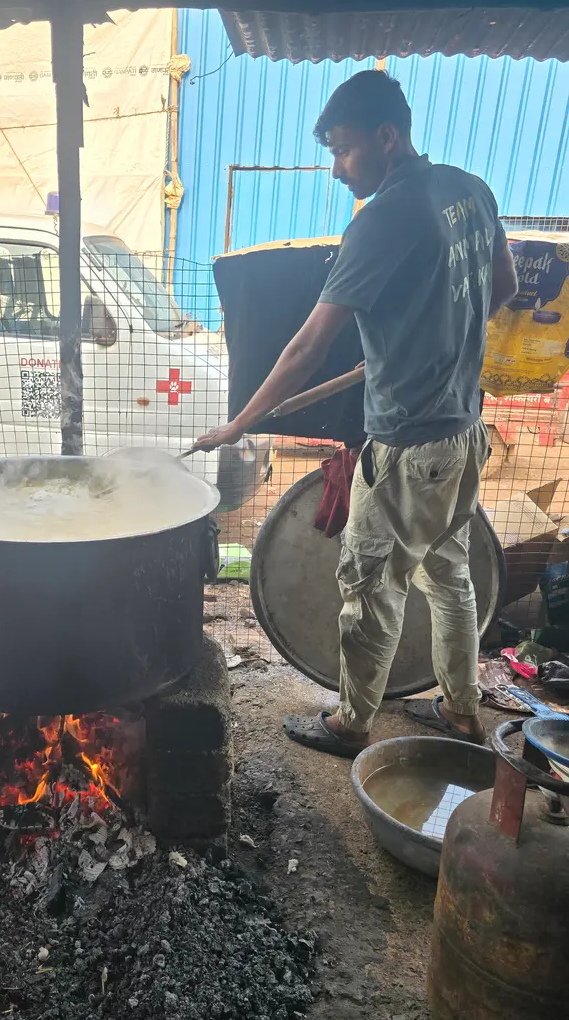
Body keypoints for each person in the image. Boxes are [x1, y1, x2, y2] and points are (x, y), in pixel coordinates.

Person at [195, 70, 518, 755]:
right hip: (463, 432)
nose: (338, 169)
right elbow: (504, 286)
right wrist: (438, 346)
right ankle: (461, 711)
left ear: (386, 137)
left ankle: (351, 723)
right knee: (449, 574)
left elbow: (307, 346)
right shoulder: (469, 188)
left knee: (370, 584)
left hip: (407, 446)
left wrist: (239, 424)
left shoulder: (381, 221)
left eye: (343, 151)